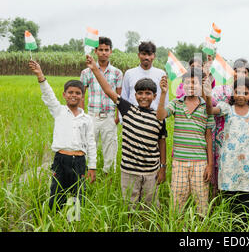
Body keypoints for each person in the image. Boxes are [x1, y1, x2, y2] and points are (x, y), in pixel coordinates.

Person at [85, 54, 167, 210]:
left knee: (150, 209)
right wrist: (95, 69)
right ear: (135, 95)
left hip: (151, 172)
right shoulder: (127, 109)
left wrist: (163, 167)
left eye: (148, 93)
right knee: (129, 208)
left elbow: (161, 141)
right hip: (129, 172)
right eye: (140, 93)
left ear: (154, 96)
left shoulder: (159, 116)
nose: (144, 97)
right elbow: (108, 90)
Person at [28, 60, 96, 211]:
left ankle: (72, 223)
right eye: (70, 92)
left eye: (78, 93)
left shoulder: (87, 119)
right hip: (61, 160)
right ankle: (55, 219)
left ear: (82, 96)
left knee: (77, 196)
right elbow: (49, 95)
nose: (74, 95)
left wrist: (92, 166)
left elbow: (91, 143)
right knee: (57, 193)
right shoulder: (59, 111)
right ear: (64, 95)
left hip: (79, 162)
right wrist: (40, 75)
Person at [156, 68, 215, 216]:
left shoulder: (206, 108)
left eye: (195, 83)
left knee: (201, 202)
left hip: (200, 163)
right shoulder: (176, 103)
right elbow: (160, 115)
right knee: (177, 202)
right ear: (183, 85)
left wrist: (209, 164)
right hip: (180, 161)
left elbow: (209, 137)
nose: (191, 85)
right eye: (188, 82)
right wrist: (163, 93)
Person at [205, 77, 249, 214]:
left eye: (245, 93)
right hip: (228, 163)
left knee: (244, 201)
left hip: (247, 163)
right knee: (228, 199)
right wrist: (208, 94)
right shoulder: (226, 109)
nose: (241, 96)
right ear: (233, 93)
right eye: (237, 92)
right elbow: (210, 111)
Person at [210, 58, 249, 197]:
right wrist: (206, 90)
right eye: (237, 71)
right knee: (225, 191)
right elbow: (210, 108)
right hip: (225, 148)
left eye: (244, 71)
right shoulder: (223, 96)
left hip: (246, 154)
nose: (240, 74)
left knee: (244, 195)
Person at [80, 37, 123, 174]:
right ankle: (85, 173)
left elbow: (119, 97)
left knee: (110, 149)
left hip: (109, 117)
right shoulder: (86, 72)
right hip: (92, 116)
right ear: (95, 51)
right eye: (101, 50)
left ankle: (108, 176)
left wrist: (117, 117)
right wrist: (82, 115)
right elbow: (82, 94)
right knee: (87, 146)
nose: (103, 53)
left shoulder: (117, 73)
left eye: (106, 50)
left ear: (111, 51)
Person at [122, 41, 168, 109]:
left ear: (154, 56)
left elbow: (165, 97)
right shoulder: (129, 74)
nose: (146, 57)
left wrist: (163, 116)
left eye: (149, 54)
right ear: (138, 55)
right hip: (133, 116)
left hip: (154, 116)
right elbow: (124, 97)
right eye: (143, 54)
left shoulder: (161, 74)